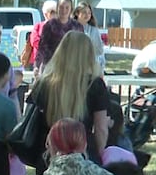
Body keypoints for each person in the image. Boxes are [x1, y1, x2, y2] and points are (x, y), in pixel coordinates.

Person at [33, 31, 111, 166]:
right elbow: (101, 128)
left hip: (49, 153)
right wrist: (100, 155)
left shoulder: (43, 83)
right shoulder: (95, 85)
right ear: (88, 55)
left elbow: (33, 117)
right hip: (84, 154)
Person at [34, 0, 84, 73]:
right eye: (61, 7)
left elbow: (82, 48)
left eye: (67, 7)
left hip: (71, 67)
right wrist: (37, 66)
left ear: (71, 9)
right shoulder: (49, 25)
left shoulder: (77, 26)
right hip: (51, 65)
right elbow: (42, 47)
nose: (64, 10)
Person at [74, 2, 105, 72]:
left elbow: (99, 51)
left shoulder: (94, 30)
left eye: (89, 13)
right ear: (77, 13)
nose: (87, 15)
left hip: (89, 67)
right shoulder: (70, 27)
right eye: (84, 12)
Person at [26, 0, 58, 69]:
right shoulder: (38, 26)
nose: (55, 15)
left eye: (57, 12)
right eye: (52, 12)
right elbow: (34, 41)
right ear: (45, 14)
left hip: (56, 60)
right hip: (40, 60)